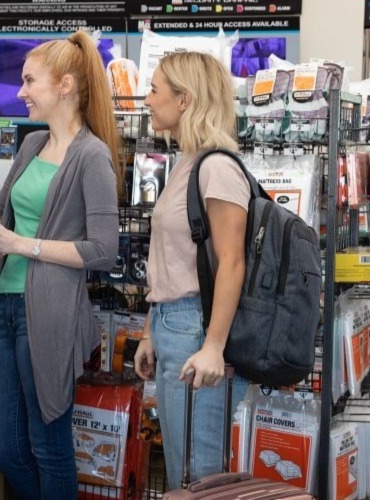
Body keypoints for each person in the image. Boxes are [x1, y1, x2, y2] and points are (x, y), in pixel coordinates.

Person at [0, 30, 121, 499]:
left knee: (49, 447)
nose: (21, 91)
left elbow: (102, 250)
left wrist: (18, 242)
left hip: (47, 316)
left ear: (66, 86)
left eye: (30, 81)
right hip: (5, 310)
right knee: (5, 449)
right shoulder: (31, 145)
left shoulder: (92, 156)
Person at [133, 52, 251, 489]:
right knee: (184, 470)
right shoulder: (187, 164)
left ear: (184, 100)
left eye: (155, 89)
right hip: (174, 325)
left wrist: (214, 346)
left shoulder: (216, 167)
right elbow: (175, 259)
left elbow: (232, 263)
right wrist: (149, 331)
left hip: (197, 328)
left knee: (200, 476)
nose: (146, 99)